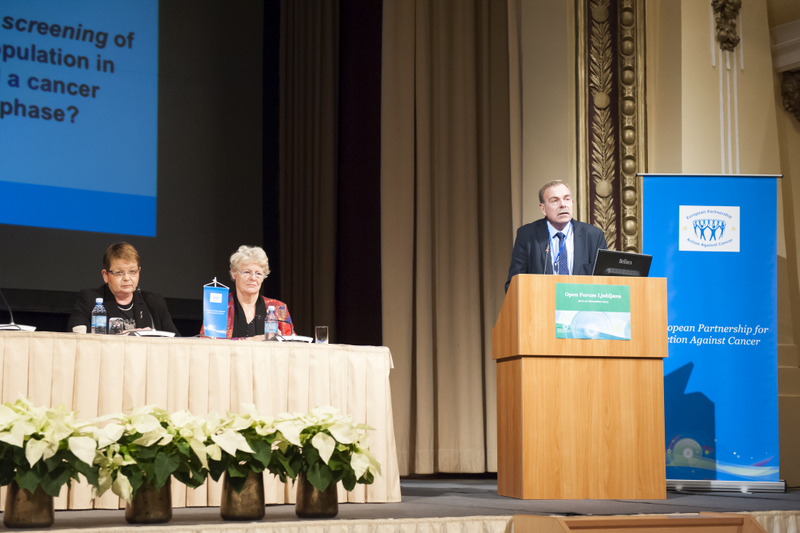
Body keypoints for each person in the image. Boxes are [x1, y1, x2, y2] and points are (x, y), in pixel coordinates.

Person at [505, 180, 608, 292]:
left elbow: (605, 283)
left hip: (581, 302)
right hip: (542, 301)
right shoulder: (527, 236)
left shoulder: (593, 235)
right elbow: (514, 285)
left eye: (567, 199)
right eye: (555, 201)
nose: (563, 205)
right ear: (543, 208)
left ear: (572, 202)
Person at [68, 242, 180, 334]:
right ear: (105, 275)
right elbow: (77, 339)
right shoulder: (90, 300)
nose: (127, 278)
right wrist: (128, 334)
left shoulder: (154, 302)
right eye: (119, 273)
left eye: (132, 272)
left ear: (139, 271)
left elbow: (176, 342)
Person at [200, 245, 293, 339]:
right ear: (234, 273)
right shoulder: (220, 305)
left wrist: (281, 340)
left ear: (263, 277)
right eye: (247, 272)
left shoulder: (278, 308)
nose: (253, 278)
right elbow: (206, 342)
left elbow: (293, 344)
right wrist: (252, 340)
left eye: (258, 273)